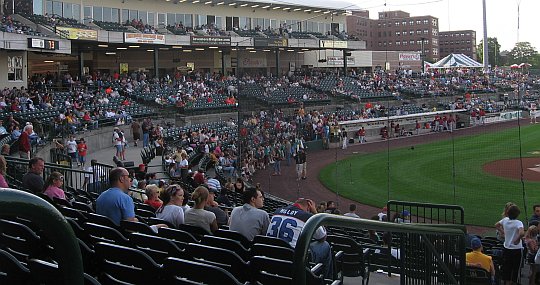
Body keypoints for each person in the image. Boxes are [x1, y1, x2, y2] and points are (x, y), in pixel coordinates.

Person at [267, 198, 333, 278]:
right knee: (325, 245)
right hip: (293, 260)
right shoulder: (307, 216)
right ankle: (327, 281)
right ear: (309, 206)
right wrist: (315, 213)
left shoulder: (277, 211)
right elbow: (322, 237)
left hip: (271, 254)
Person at [495, 205, 524, 285]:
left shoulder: (505, 220)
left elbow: (496, 225)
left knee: (507, 268)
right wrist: (517, 239)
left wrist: (503, 231)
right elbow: (522, 233)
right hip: (517, 249)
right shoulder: (519, 223)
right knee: (516, 269)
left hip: (507, 248)